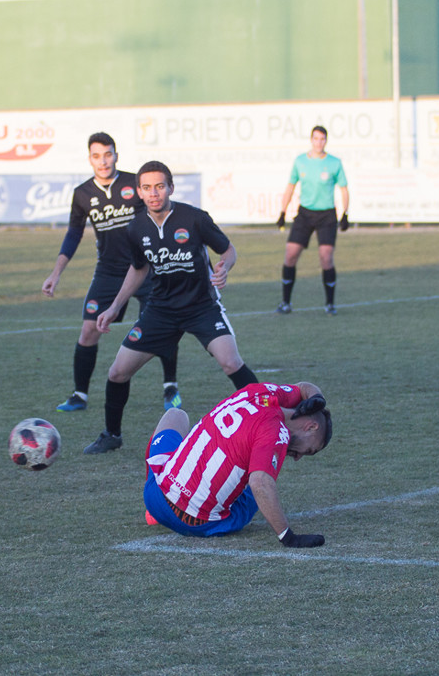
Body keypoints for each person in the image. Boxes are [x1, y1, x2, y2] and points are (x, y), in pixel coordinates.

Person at [86, 160, 259, 454]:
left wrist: (224, 266)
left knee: (231, 362)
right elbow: (138, 268)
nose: (154, 193)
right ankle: (111, 435)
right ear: (139, 192)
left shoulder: (195, 218)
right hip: (161, 311)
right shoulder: (136, 227)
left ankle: (266, 418)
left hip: (202, 307)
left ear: (171, 188)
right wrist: (115, 306)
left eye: (159, 186)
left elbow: (228, 250)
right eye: (147, 188)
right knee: (117, 372)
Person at [42, 133, 180, 413]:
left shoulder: (134, 184)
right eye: (97, 156)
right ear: (90, 159)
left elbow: (160, 216)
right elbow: (74, 234)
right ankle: (79, 395)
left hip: (146, 269)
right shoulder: (83, 193)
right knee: (88, 330)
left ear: (116, 155)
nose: (103, 161)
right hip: (108, 271)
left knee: (162, 326)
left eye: (108, 154)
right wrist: (56, 273)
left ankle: (170, 387)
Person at [143, 382, 331, 546]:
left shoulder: (263, 392)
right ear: (311, 426)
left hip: (156, 498)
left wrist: (317, 397)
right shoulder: (277, 432)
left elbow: (302, 387)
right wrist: (287, 536)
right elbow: (260, 483)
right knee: (260, 485)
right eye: (309, 450)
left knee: (175, 415)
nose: (298, 457)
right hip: (196, 523)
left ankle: (151, 513)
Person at [275, 126, 349, 315]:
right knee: (290, 254)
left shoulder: (334, 163)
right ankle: (285, 303)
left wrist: (345, 214)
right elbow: (290, 187)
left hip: (327, 215)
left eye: (322, 139)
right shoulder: (300, 161)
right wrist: (282, 212)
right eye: (316, 138)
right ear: (311, 140)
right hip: (305, 214)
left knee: (326, 257)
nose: (319, 142)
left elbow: (344, 189)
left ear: (326, 141)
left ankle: (330, 304)